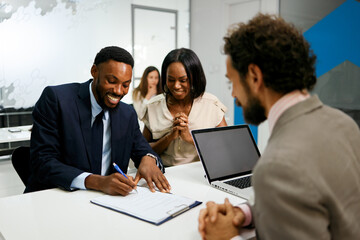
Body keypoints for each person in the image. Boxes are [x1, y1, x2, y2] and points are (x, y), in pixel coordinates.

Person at [198, 14, 360, 240]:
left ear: (254, 76)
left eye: (231, 81)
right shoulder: (344, 124)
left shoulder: (277, 167)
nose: (233, 93)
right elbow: (316, 203)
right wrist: (244, 213)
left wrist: (226, 237)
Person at [26, 46, 171, 195]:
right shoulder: (57, 100)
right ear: (94, 71)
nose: (118, 91)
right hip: (57, 197)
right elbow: (42, 162)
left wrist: (148, 159)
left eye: (125, 85)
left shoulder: (127, 114)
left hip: (107, 202)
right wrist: (97, 182)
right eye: (112, 81)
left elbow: (143, 149)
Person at [142, 48, 227, 167]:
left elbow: (224, 150)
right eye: (171, 80)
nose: (176, 86)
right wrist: (170, 137)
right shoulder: (153, 107)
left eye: (183, 80)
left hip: (200, 174)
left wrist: (190, 138)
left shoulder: (211, 105)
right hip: (164, 173)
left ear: (195, 78)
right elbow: (143, 151)